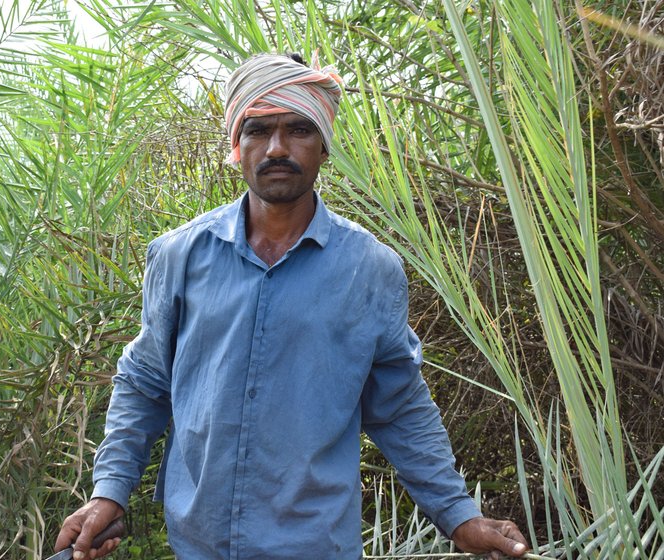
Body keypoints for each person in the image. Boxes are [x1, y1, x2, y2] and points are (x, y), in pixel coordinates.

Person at [55, 52, 529, 560]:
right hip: (198, 543)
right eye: (258, 130)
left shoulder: (369, 269)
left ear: (324, 146)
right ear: (237, 147)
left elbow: (399, 407)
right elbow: (145, 382)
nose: (277, 148)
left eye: (298, 129)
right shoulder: (180, 255)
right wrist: (109, 491)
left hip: (316, 544)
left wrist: (458, 517)